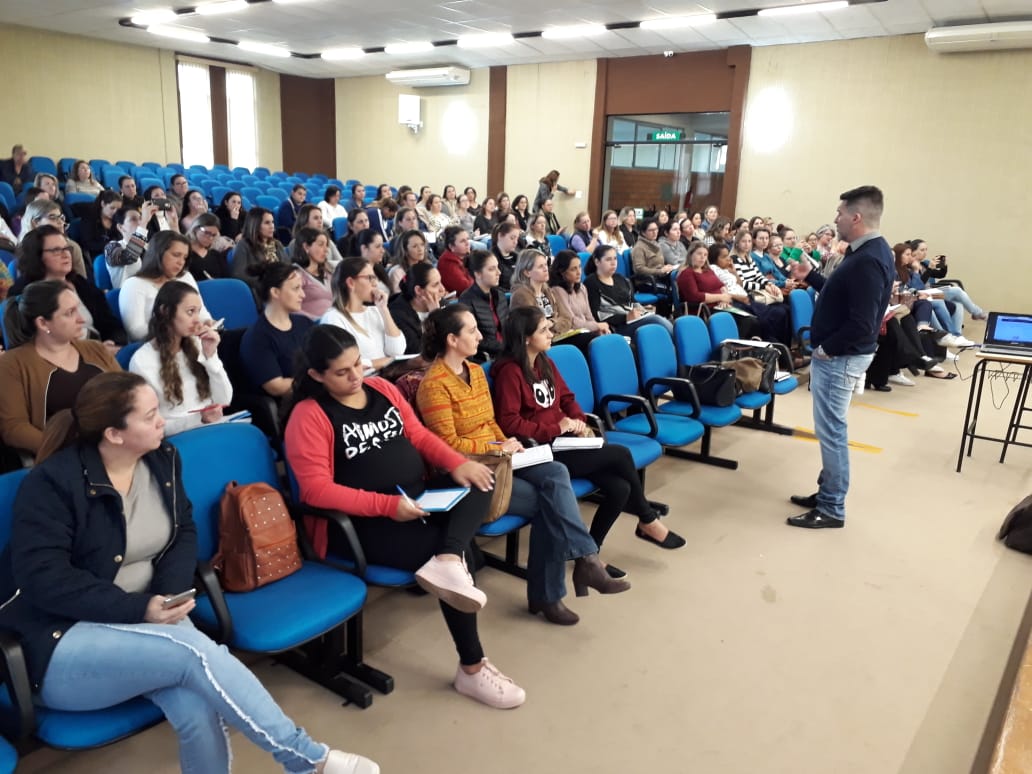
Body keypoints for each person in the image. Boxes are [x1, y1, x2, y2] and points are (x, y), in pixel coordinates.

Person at [0, 371, 379, 774]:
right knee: (196, 654)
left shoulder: (162, 460)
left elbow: (182, 532)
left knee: (198, 703)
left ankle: (300, 761)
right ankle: (304, 757)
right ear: (113, 433)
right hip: (62, 641)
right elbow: (44, 579)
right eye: (149, 416)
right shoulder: (52, 483)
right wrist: (142, 608)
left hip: (147, 621)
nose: (162, 420)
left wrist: (169, 599)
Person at [284, 325, 525, 709]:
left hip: (414, 501)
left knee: (480, 480)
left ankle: (449, 557)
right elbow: (315, 490)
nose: (356, 376)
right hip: (359, 525)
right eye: (342, 372)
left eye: (358, 365)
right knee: (456, 563)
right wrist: (387, 507)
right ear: (316, 375)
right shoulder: (309, 416)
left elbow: (419, 436)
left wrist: (458, 463)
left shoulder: (381, 389)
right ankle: (473, 669)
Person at [416, 305, 628, 624]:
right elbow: (446, 445)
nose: (480, 336)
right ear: (451, 340)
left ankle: (582, 565)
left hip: (500, 456)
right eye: (471, 331)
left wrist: (507, 443)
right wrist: (497, 446)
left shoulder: (474, 371)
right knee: (549, 500)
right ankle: (559, 585)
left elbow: (491, 421)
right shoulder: (434, 385)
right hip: (470, 470)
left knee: (556, 473)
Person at [492, 306, 684, 552]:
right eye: (544, 330)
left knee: (620, 488)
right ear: (526, 338)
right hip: (541, 449)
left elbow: (567, 398)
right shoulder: (510, 372)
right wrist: (555, 427)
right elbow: (509, 423)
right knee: (621, 454)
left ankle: (591, 552)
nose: (551, 333)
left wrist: (578, 420)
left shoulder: (544, 361)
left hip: (564, 441)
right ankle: (647, 519)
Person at [787, 186, 895, 529]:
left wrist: (825, 349)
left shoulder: (868, 259)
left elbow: (862, 323)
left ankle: (832, 507)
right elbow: (842, 296)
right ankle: (826, 492)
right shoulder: (868, 251)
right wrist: (812, 277)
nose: (835, 219)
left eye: (839, 213)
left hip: (841, 358)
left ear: (856, 217)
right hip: (843, 356)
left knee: (832, 433)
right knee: (832, 430)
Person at [0, 280, 121, 458]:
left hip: (116, 444)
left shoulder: (96, 349)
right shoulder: (13, 364)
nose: (81, 319)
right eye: (70, 313)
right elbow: (14, 428)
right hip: (62, 457)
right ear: (43, 323)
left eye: (77, 309)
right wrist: (70, 450)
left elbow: (128, 393)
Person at [128, 281, 232, 436]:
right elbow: (152, 427)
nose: (197, 320)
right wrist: (198, 419)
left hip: (211, 428)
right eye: (190, 312)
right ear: (165, 311)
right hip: (177, 438)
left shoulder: (197, 344)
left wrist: (210, 357)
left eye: (198, 312)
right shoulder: (142, 361)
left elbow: (224, 400)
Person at [12, 226, 126, 347]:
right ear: (37, 256)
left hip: (101, 349)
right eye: (56, 250)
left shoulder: (80, 283)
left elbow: (111, 325)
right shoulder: (23, 293)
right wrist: (94, 351)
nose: (66, 254)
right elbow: (35, 345)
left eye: (66, 248)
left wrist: (112, 343)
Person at [241, 262, 315, 400]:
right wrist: (322, 381)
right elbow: (276, 386)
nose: (303, 295)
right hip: (292, 404)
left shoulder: (305, 323)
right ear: (275, 292)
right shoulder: (258, 337)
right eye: (296, 288)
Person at [120, 231, 212, 342]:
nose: (181, 262)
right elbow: (135, 332)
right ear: (158, 253)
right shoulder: (134, 284)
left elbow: (201, 312)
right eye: (176, 255)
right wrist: (177, 329)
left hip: (193, 341)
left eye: (184, 257)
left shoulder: (185, 277)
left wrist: (207, 322)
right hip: (156, 347)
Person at [320, 258, 405, 372]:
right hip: (362, 383)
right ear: (351, 282)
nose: (375, 283)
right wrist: (385, 361)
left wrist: (384, 309)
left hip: (385, 379)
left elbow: (397, 351)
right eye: (370, 278)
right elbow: (345, 365)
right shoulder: (333, 319)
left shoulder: (375, 311)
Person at [509, 249, 595, 352]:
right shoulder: (521, 295)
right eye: (541, 267)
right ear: (527, 272)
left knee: (592, 339)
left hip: (556, 336)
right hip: (539, 343)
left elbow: (567, 319)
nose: (546, 269)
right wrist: (553, 324)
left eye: (546, 265)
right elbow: (531, 327)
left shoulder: (547, 291)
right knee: (587, 340)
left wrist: (552, 323)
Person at [584, 245, 674, 336]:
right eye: (608, 260)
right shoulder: (591, 283)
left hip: (634, 319)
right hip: (616, 326)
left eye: (615, 259)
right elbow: (597, 314)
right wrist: (625, 317)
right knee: (656, 321)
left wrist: (641, 311)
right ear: (597, 262)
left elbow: (633, 301)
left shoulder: (620, 278)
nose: (613, 263)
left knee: (658, 321)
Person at [458, 250, 509, 362]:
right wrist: (505, 348)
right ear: (478, 274)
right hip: (485, 357)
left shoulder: (499, 295)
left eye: (497, 267)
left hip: (506, 351)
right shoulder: (467, 299)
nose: (499, 272)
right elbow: (472, 338)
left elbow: (507, 327)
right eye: (492, 269)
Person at [18, 199, 88, 279]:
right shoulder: (24, 249)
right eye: (53, 218)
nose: (60, 222)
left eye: (61, 218)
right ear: (36, 222)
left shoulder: (72, 247)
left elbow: (82, 282)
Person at [548, 249, 611, 336]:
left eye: (579, 267)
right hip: (572, 333)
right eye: (573, 269)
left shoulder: (582, 288)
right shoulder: (557, 290)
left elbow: (589, 316)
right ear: (562, 272)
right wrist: (596, 326)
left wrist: (598, 329)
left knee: (607, 335)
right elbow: (572, 321)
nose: (579, 272)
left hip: (587, 330)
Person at [388, 263, 447, 355]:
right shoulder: (398, 315)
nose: (442, 289)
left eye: (441, 282)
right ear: (419, 290)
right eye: (435, 285)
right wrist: (435, 317)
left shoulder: (442, 303)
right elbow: (420, 353)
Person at [231, 207, 288, 292]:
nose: (272, 226)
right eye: (267, 223)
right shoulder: (244, 245)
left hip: (281, 289)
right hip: (259, 291)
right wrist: (267, 282)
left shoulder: (277, 244)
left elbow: (288, 267)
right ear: (255, 225)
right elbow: (239, 275)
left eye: (272, 222)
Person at [292, 227, 334, 320]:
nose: (326, 250)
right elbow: (291, 308)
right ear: (306, 247)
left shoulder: (328, 272)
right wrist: (318, 320)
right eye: (321, 245)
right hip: (313, 327)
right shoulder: (295, 275)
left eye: (326, 245)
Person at [185, 213, 233, 281]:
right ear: (196, 229)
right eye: (207, 233)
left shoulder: (215, 255)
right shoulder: (184, 253)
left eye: (214, 235)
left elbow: (228, 280)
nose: (210, 238)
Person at [78, 190, 123, 260]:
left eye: (118, 209)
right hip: (96, 256)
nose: (115, 212)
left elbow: (120, 237)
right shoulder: (89, 218)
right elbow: (88, 244)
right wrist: (109, 245)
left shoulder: (116, 219)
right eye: (112, 208)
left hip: (114, 253)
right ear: (103, 204)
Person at [386, 229, 429, 293]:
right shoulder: (397, 272)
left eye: (422, 244)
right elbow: (400, 298)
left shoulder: (426, 267)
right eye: (415, 246)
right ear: (405, 250)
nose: (420, 249)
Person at [437, 226, 474, 294]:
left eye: (467, 239)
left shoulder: (466, 257)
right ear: (451, 246)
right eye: (462, 241)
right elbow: (465, 288)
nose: (467, 243)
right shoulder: (448, 264)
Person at [491, 222, 521, 291]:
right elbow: (493, 287)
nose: (516, 242)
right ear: (500, 236)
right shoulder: (491, 259)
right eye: (512, 238)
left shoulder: (518, 257)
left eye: (517, 239)